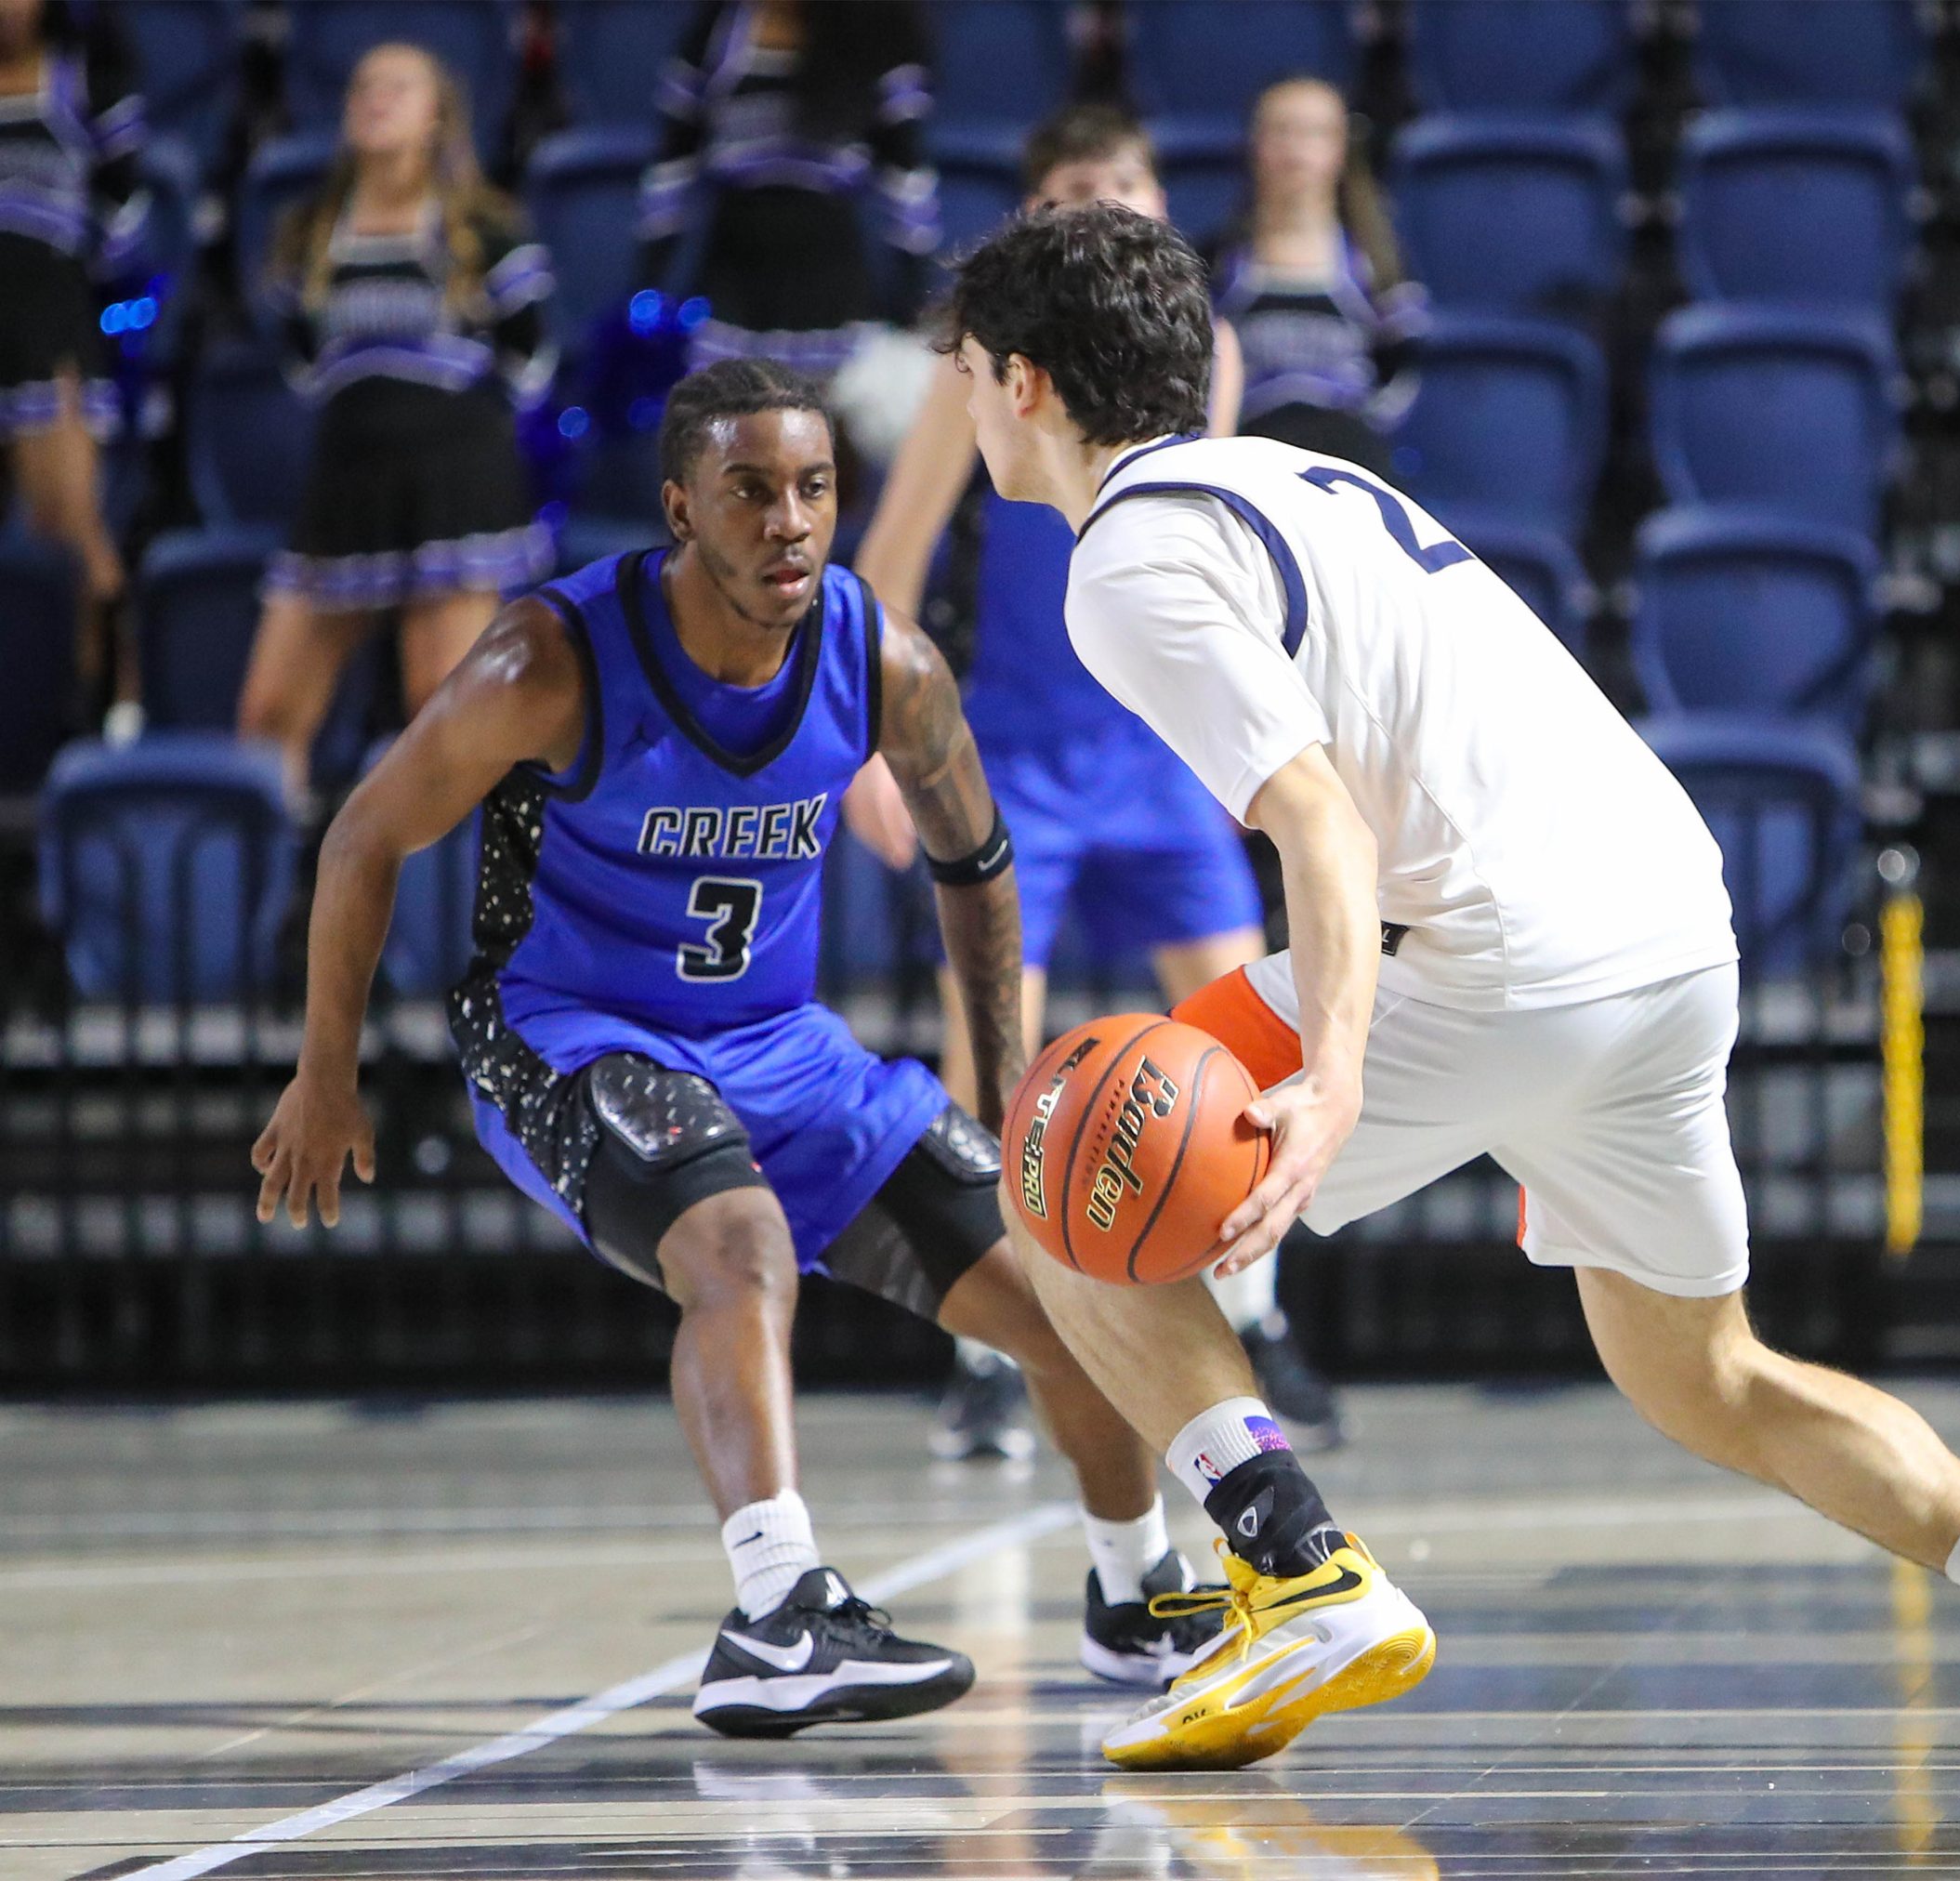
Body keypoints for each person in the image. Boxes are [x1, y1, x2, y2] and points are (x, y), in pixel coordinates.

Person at [941, 203, 1960, 1771]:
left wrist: (1334, 1071)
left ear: (1023, 381)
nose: (963, 404)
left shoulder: (1128, 555)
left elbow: (1318, 822)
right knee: (1712, 1377)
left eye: (965, 371)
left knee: (1063, 1165)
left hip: (1507, 946)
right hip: (1669, 928)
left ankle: (1296, 1570)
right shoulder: (1297, 476)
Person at [248, 358, 1222, 1735]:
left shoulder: (880, 659)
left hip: (784, 1047)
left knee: (1061, 1281)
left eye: (813, 489)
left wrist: (1006, 1086)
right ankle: (778, 1612)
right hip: (572, 1032)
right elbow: (363, 835)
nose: (789, 522)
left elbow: (976, 858)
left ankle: (1137, 1596)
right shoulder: (550, 660)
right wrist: (324, 1073)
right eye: (751, 491)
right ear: (680, 509)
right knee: (740, 1248)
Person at [844, 103, 1341, 1464]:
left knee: (1250, 1034)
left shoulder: (1199, 346)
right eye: (1077, 184)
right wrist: (871, 746)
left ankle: (1257, 1319)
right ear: (1032, 214)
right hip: (1019, 752)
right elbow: (890, 563)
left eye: (1127, 179)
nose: (1106, 199)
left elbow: (1204, 543)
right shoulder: (983, 362)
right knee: (992, 1052)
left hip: (1160, 741)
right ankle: (989, 1354)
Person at [238, 42, 555, 790]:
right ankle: (278, 865)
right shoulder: (310, 232)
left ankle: (445, 871)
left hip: (452, 485)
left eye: (399, 86)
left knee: (440, 715)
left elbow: (529, 360)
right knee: (269, 713)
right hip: (346, 481)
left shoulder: (487, 231)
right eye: (364, 86)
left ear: (438, 115)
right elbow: (301, 359)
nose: (376, 98)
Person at [639, 0, 938, 459]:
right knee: (730, 454)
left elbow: (907, 182)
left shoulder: (876, 36)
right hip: (733, 280)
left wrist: (914, 294)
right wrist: (648, 281)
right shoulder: (716, 32)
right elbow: (671, 167)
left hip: (831, 287)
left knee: (821, 461)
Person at [0, 0, 138, 705]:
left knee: (69, 531)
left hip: (46, 317)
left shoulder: (82, 76)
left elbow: (125, 210)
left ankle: (109, 708)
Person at [1207, 76, 1422, 480]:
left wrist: (1364, 427)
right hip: (1247, 460)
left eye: (1315, 132)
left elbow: (1402, 370)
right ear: (1253, 144)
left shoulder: (1377, 262)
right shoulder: (1217, 260)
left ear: (1342, 148)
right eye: (1281, 130)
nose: (1296, 148)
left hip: (1350, 461)